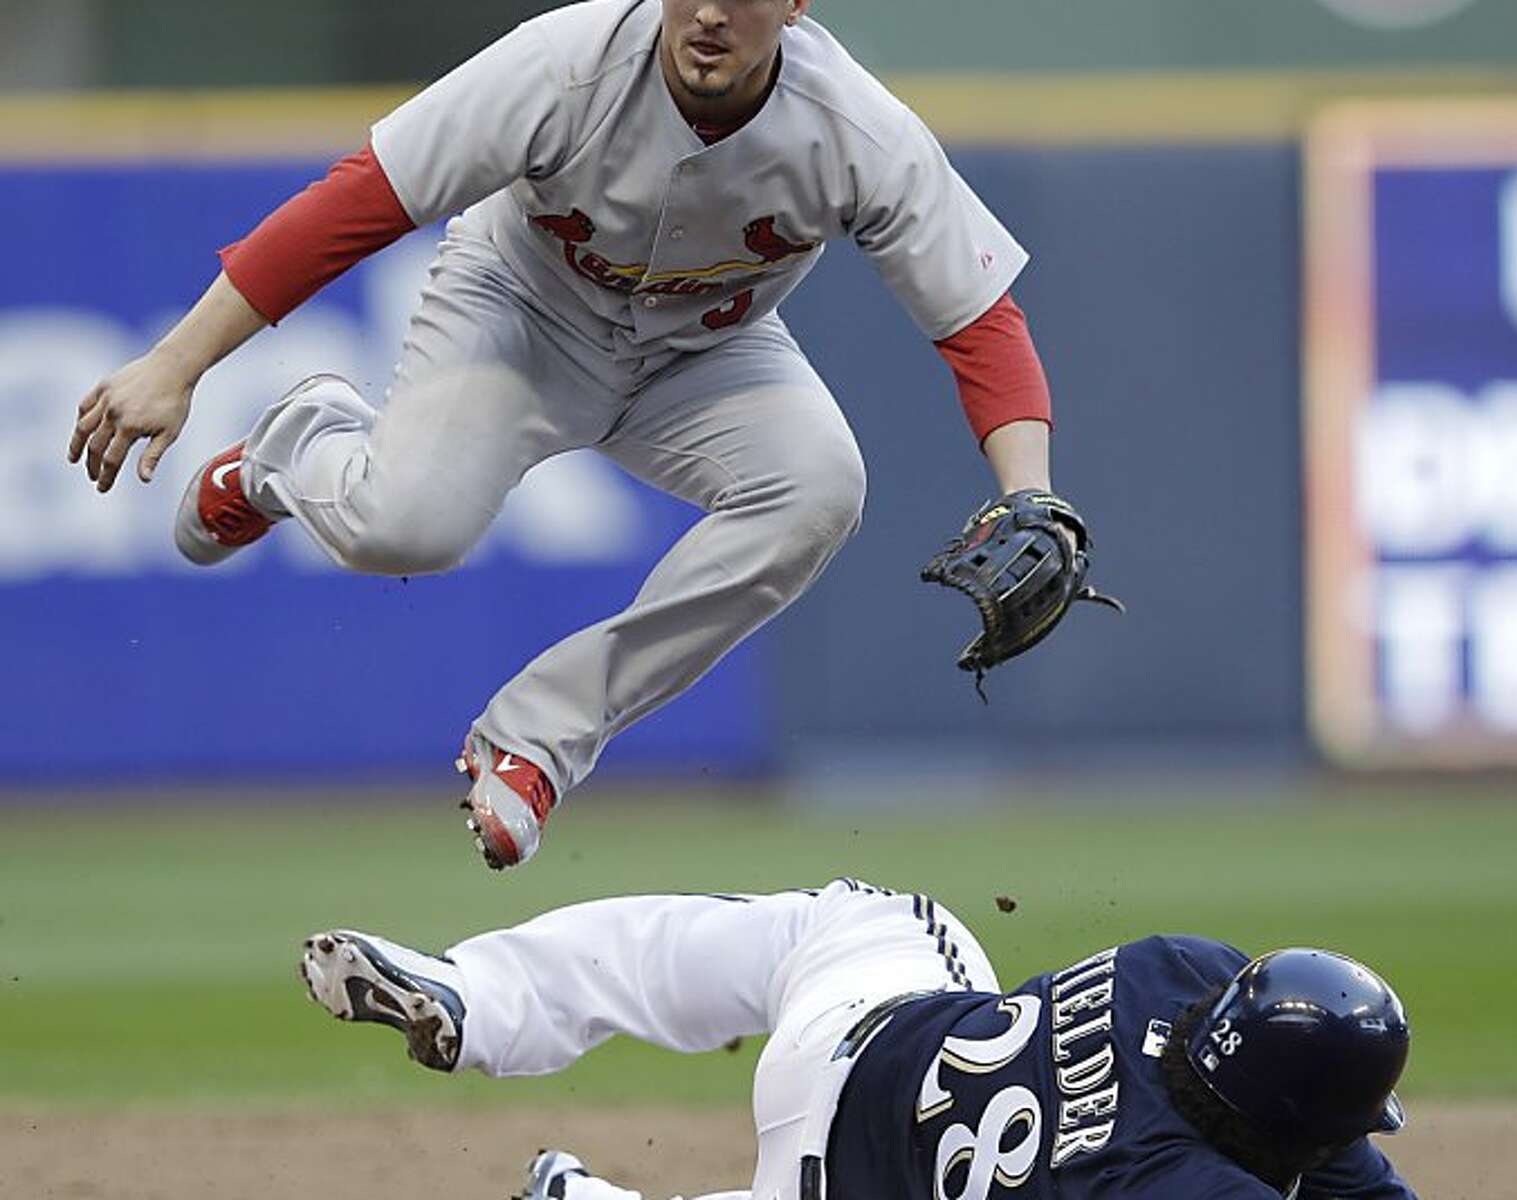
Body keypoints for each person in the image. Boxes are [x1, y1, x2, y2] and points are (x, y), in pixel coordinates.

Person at [66, 0, 1082, 871]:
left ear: (798, 6)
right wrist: (180, 360)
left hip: (705, 352)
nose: (710, 14)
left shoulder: (856, 128)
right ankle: (298, 444)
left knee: (821, 485)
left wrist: (1029, 492)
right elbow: (358, 202)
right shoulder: (567, 63)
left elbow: (980, 322)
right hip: (518, 313)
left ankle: (541, 739)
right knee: (407, 528)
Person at [299, 879, 1418, 1199]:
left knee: (851, 919)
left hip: (853, 1032)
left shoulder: (1179, 967)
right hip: (836, 1190)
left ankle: (478, 993)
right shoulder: (1183, 1188)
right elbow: (1350, 1177)